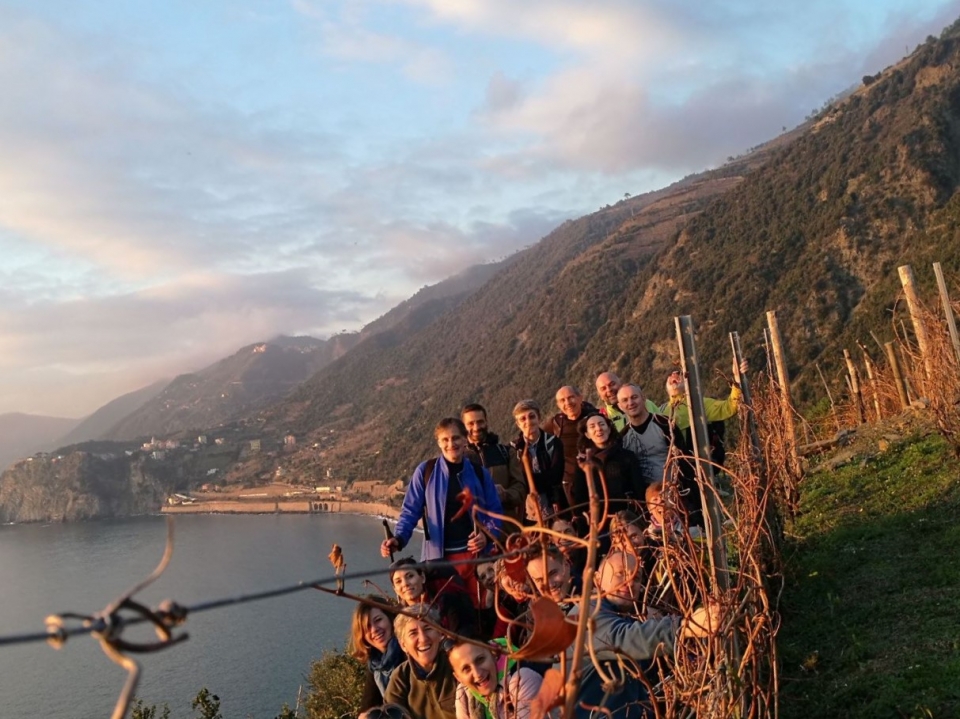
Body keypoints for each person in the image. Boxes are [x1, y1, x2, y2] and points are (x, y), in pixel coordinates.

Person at [573, 551, 719, 719]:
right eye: (620, 573)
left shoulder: (618, 617)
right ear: (597, 580)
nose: (630, 583)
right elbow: (625, 638)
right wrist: (684, 627)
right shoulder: (587, 613)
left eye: (636, 578)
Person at [382, 418, 503, 598]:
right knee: (447, 613)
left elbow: (495, 512)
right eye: (445, 440)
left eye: (455, 438)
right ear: (438, 442)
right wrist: (398, 539)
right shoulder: (425, 471)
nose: (451, 444)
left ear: (465, 439)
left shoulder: (479, 473)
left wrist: (486, 536)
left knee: (480, 614)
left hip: (476, 558)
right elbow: (410, 511)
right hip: (439, 561)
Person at [461, 403, 528, 530]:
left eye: (480, 422)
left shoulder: (506, 452)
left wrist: (505, 495)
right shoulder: (459, 459)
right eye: (470, 423)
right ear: (463, 426)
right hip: (474, 536)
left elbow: (521, 488)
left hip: (505, 532)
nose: (476, 427)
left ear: (486, 422)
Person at [385, 604, 458, 719]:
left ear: (440, 634)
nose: (423, 639)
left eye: (428, 629)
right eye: (413, 633)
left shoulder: (457, 665)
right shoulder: (400, 677)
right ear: (403, 645)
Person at [447, 638, 545, 719]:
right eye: (466, 669)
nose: (478, 674)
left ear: (493, 655)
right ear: (458, 677)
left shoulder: (522, 680)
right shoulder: (464, 694)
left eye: (480, 660)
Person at [572, 414, 646, 516]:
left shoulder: (627, 456)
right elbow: (580, 496)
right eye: (592, 426)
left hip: (627, 516)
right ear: (587, 434)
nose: (598, 429)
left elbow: (639, 489)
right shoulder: (583, 462)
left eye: (602, 424)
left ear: (609, 429)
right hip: (598, 519)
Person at [389, 557, 479, 637]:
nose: (405, 584)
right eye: (398, 581)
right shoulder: (399, 618)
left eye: (410, 576)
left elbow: (463, 635)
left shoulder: (447, 601)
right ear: (395, 590)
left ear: (422, 577)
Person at [544, 386, 599, 508]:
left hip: (599, 479)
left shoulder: (595, 418)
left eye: (571, 398)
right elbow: (537, 438)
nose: (568, 403)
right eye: (562, 400)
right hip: (571, 485)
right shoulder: (556, 424)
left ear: (580, 398)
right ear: (558, 405)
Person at [511, 400, 565, 520]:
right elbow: (517, 481)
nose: (528, 422)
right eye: (523, 419)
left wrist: (529, 480)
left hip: (555, 506)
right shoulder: (513, 449)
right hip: (528, 512)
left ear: (539, 418)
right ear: (518, 424)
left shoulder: (553, 443)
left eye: (531, 416)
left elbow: (556, 476)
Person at [351, 599, 406, 713]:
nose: (374, 630)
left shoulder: (407, 652)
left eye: (378, 620)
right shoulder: (376, 664)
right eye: (367, 627)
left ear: (391, 619)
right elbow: (367, 707)